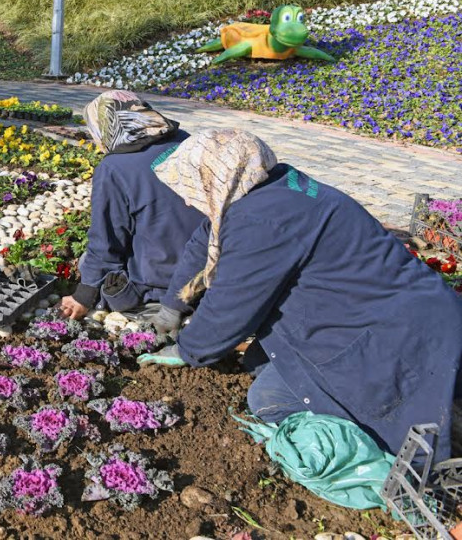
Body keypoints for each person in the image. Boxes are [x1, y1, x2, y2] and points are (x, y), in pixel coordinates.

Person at [138, 129, 462, 460]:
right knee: (263, 364)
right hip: (399, 310)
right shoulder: (268, 185)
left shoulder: (262, 221)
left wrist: (188, 350)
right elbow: (202, 245)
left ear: (215, 178)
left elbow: (231, 306)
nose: (187, 200)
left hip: (391, 338)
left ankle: (398, 445)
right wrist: (171, 308)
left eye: (189, 188)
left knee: (268, 401)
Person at [58, 91, 202, 322]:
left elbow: (106, 241)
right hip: (212, 267)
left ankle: (155, 309)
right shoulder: (187, 141)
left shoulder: (115, 168)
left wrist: (84, 295)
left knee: (88, 263)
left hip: (163, 282)